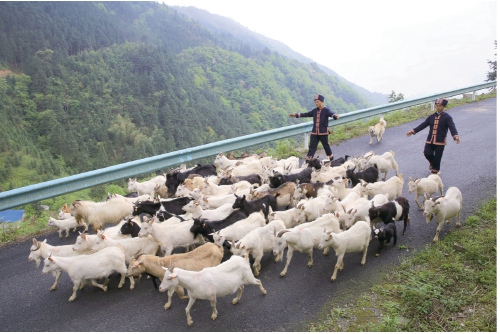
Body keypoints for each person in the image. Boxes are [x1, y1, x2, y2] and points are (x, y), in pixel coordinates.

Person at [406, 98, 460, 174]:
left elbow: (452, 127)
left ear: (444, 107)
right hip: (430, 140)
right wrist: (413, 131)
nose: (438, 107)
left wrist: (455, 136)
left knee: (437, 158)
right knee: (427, 153)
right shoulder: (431, 117)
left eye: (440, 106)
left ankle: (435, 172)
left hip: (440, 141)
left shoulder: (447, 117)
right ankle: (432, 162)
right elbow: (423, 124)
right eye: (437, 106)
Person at [289, 94, 340, 164]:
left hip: (323, 133)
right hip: (314, 133)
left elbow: (332, 114)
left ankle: (331, 159)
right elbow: (306, 114)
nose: (316, 103)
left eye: (318, 102)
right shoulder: (314, 111)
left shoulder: (326, 110)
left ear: (322, 102)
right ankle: (307, 163)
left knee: (326, 146)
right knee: (312, 148)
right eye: (315, 102)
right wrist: (296, 115)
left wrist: (335, 116)